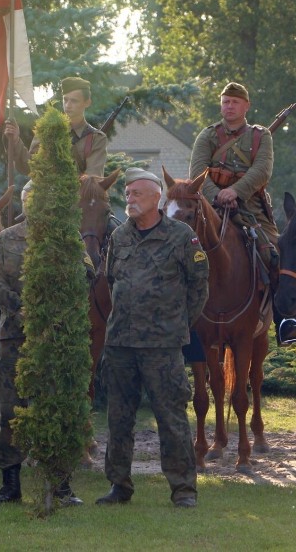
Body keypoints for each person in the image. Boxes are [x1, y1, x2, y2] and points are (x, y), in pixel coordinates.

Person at [96, 168, 209, 508]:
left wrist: (176, 325)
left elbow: (199, 287)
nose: (129, 199)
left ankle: (183, 490)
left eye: (137, 194)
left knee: (172, 419)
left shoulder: (181, 236)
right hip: (121, 345)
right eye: (127, 194)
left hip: (163, 346)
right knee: (119, 418)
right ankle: (119, 485)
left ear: (156, 197)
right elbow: (112, 277)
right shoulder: (119, 237)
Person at [0, 181, 84, 507]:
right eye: (29, 199)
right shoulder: (7, 238)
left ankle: (61, 486)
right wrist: (20, 308)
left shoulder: (68, 237)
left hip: (56, 338)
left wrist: (54, 308)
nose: (34, 204)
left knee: (57, 409)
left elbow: (88, 274)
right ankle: (9, 484)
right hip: (14, 337)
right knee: (10, 410)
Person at [188, 81, 293, 343]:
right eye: (225, 101)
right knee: (183, 254)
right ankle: (181, 320)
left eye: (235, 101)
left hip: (251, 208)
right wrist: (216, 195)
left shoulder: (260, 136)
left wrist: (235, 192)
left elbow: (262, 171)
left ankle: (284, 321)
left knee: (275, 255)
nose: (229, 106)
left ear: (246, 106)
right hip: (210, 208)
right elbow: (197, 172)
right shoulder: (208, 135)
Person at [4, 76, 108, 176]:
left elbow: (93, 178)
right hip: (45, 192)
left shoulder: (96, 138)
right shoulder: (47, 131)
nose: (68, 105)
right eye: (65, 100)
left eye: (74, 101)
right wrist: (16, 140)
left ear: (87, 102)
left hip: (78, 193)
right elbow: (30, 167)